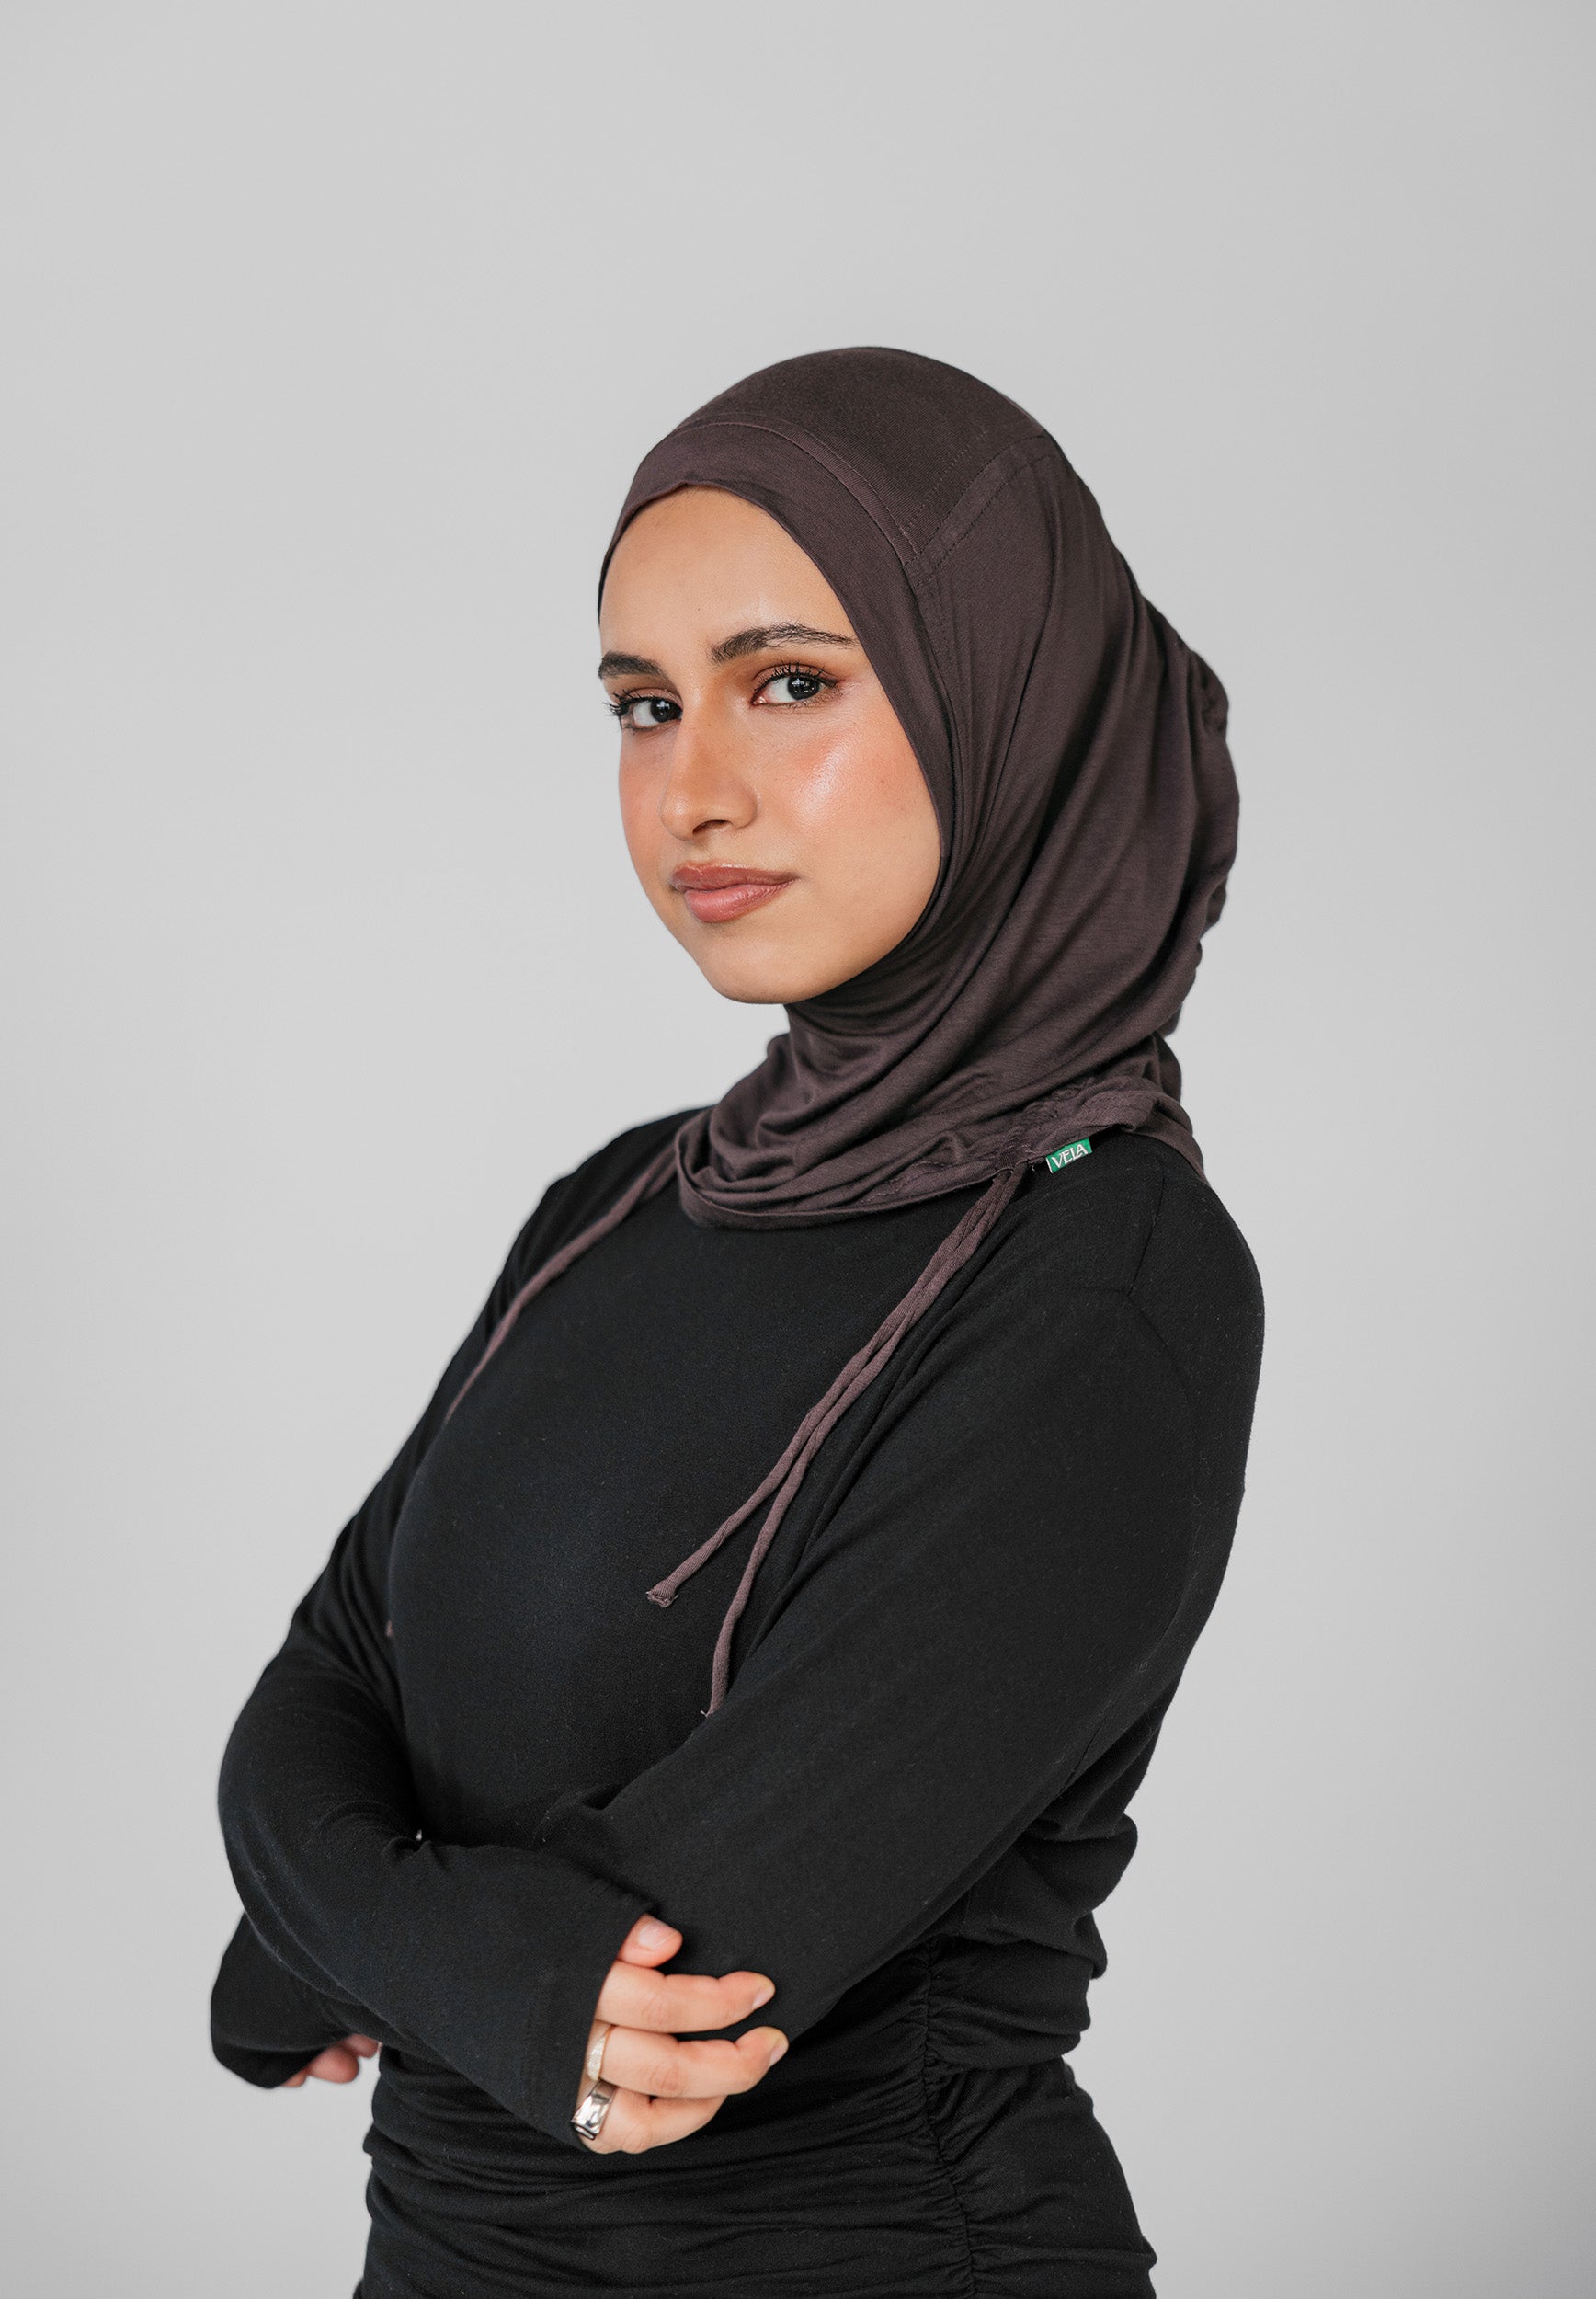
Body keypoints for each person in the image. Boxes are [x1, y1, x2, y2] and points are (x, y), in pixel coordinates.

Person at [211, 347, 1263, 2298]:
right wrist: (426, 1944)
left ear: (1006, 697)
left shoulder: (1108, 1273)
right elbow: (321, 1682)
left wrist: (322, 1933)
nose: (691, 790)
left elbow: (688, 1965)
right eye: (643, 705)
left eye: (790, 683)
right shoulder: (623, 1201)